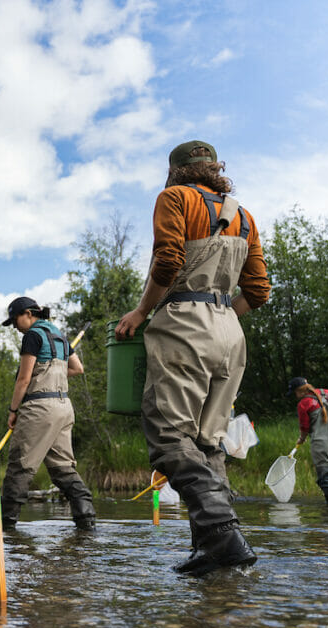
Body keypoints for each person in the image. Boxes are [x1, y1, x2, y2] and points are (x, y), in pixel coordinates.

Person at [115, 140, 270, 577]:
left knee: (168, 435)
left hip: (184, 324)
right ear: (215, 169)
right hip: (230, 331)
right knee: (208, 440)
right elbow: (258, 292)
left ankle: (223, 534)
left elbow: (168, 261)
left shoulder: (174, 198)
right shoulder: (244, 216)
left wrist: (142, 312)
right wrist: (220, 314)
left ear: (176, 171)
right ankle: (211, 548)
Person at [0, 297, 95, 531]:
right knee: (62, 468)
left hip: (39, 409)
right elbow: (77, 368)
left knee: (19, 467)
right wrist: (55, 375)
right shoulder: (60, 336)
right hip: (64, 408)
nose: (15, 326)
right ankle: (87, 521)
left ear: (29, 314)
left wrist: (13, 410)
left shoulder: (32, 336)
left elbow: (23, 380)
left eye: (15, 320)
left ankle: (5, 528)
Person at [288, 377, 328, 504]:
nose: (296, 396)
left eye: (295, 393)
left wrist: (302, 438)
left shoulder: (303, 404)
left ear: (300, 391)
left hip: (322, 446)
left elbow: (305, 427)